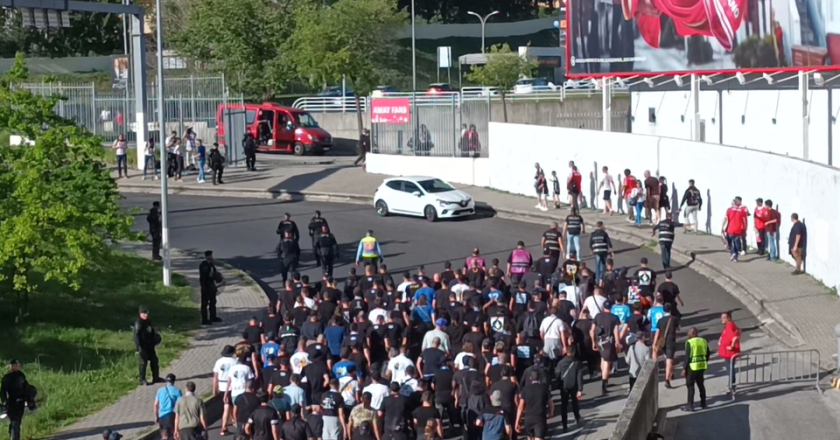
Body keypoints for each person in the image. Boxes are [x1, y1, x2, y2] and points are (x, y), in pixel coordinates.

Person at [1, 360, 37, 440]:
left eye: (17, 365)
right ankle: (14, 437)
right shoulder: (7, 378)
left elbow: (26, 388)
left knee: (18, 421)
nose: (16, 366)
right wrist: (4, 402)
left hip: (21, 401)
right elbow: (3, 392)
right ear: (11, 366)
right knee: (15, 421)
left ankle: (13, 434)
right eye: (14, 365)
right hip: (12, 402)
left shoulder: (21, 375)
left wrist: (30, 399)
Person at [515, 370, 553, 440]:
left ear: (530, 378)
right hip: (540, 418)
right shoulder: (544, 388)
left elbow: (520, 407)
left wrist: (517, 421)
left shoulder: (525, 389)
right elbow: (551, 403)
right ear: (539, 378)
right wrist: (551, 413)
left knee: (529, 437)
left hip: (528, 418)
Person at [554, 346, 583, 433]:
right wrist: (580, 389)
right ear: (574, 352)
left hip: (564, 386)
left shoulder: (560, 363)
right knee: (574, 402)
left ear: (566, 352)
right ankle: (577, 418)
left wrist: (559, 386)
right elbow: (579, 376)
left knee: (564, 405)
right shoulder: (577, 363)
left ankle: (564, 425)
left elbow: (557, 375)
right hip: (574, 386)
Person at [682, 327, 709, 412]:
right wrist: (705, 361)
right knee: (701, 385)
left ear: (693, 333)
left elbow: (687, 357)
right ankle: (703, 403)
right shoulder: (703, 341)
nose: (687, 334)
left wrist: (684, 368)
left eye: (689, 332)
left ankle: (690, 405)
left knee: (690, 385)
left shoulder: (690, 342)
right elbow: (708, 353)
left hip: (692, 367)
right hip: (701, 366)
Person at [135, 305, 162, 385]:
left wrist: (155, 339)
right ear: (140, 314)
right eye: (144, 313)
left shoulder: (148, 321)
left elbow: (152, 331)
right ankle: (142, 379)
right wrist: (139, 347)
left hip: (150, 345)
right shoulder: (139, 323)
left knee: (154, 361)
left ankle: (156, 377)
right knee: (143, 363)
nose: (146, 315)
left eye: (147, 313)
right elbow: (136, 336)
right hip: (143, 346)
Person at [718, 312, 741, 396]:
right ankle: (731, 386)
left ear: (729, 318)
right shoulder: (728, 325)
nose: (722, 319)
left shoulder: (729, 326)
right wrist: (720, 340)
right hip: (728, 353)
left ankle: (732, 387)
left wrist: (731, 346)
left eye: (724, 318)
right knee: (730, 370)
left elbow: (735, 337)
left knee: (730, 370)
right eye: (721, 317)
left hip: (730, 354)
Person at [199, 250, 223, 325]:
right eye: (210, 256)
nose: (211, 257)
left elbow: (214, 274)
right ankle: (204, 319)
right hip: (206, 286)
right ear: (207, 256)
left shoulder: (211, 265)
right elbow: (204, 277)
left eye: (211, 255)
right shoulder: (204, 265)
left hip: (212, 286)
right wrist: (204, 287)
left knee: (213, 302)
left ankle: (213, 317)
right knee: (205, 303)